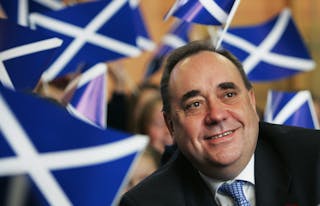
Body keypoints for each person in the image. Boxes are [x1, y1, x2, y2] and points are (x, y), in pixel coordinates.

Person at [120, 39, 320, 205]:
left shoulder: (313, 159)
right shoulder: (146, 203)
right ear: (171, 125)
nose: (216, 115)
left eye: (229, 94)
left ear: (251, 102)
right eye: (195, 104)